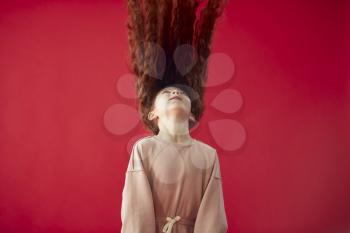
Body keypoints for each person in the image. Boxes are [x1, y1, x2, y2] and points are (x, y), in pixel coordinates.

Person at [121, 0, 229, 232]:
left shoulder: (208, 156)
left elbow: (213, 217)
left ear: (193, 113)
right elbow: (136, 211)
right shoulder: (144, 150)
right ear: (152, 113)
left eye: (181, 91)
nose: (175, 92)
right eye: (167, 92)